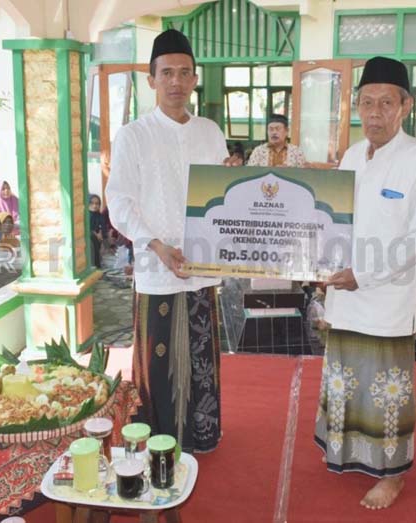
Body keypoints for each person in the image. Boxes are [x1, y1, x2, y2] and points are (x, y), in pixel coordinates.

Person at [316, 56, 416, 510]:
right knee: (346, 379)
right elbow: (333, 218)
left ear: (405, 106)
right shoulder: (352, 154)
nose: (374, 113)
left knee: (387, 389)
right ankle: (349, 454)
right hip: (345, 292)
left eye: (386, 102)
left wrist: (362, 274)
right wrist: (319, 262)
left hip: (387, 297)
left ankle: (392, 475)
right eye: (366, 102)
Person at [106, 29, 241, 454]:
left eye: (185, 73)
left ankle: (201, 436)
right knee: (158, 360)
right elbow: (120, 202)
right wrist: (156, 245)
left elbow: (224, 198)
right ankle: (161, 443)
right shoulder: (134, 135)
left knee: (201, 357)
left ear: (195, 78)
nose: (176, 82)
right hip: (156, 266)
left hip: (202, 267)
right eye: (167, 73)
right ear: (151, 80)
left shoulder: (210, 132)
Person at [88, 194, 107, 268]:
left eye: (97, 203)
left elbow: (104, 229)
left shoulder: (100, 216)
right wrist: (95, 234)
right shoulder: (85, 215)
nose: (94, 206)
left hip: (99, 241)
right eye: (92, 203)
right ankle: (95, 266)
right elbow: (86, 229)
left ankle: (97, 266)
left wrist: (102, 236)